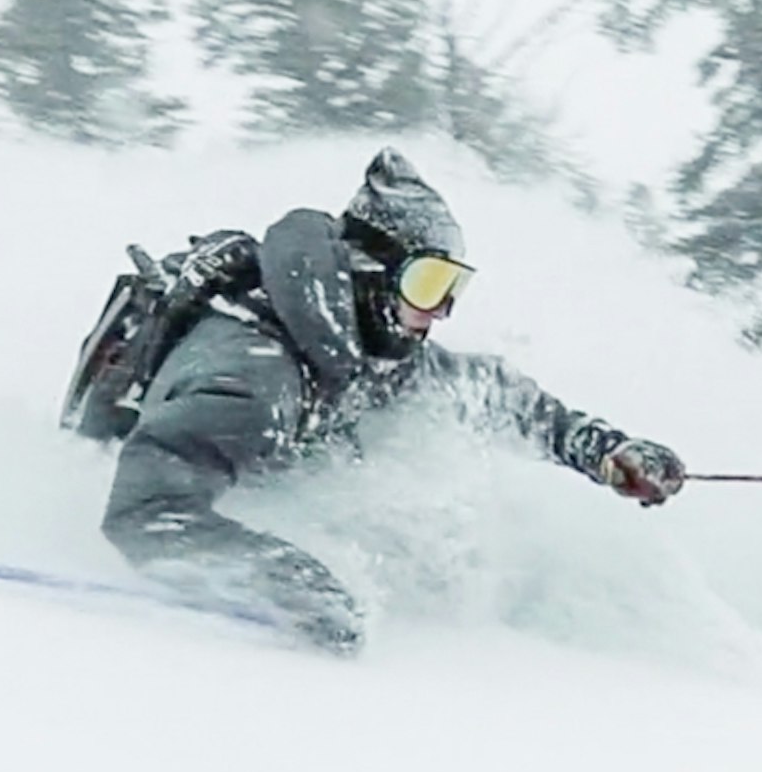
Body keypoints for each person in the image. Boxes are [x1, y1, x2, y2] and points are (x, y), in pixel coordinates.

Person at [94, 147, 687, 653]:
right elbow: (144, 514)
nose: (440, 310)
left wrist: (603, 450)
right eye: (427, 283)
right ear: (367, 272)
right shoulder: (254, 380)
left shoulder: (359, 350)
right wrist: (298, 587)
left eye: (451, 287)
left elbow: (495, 397)